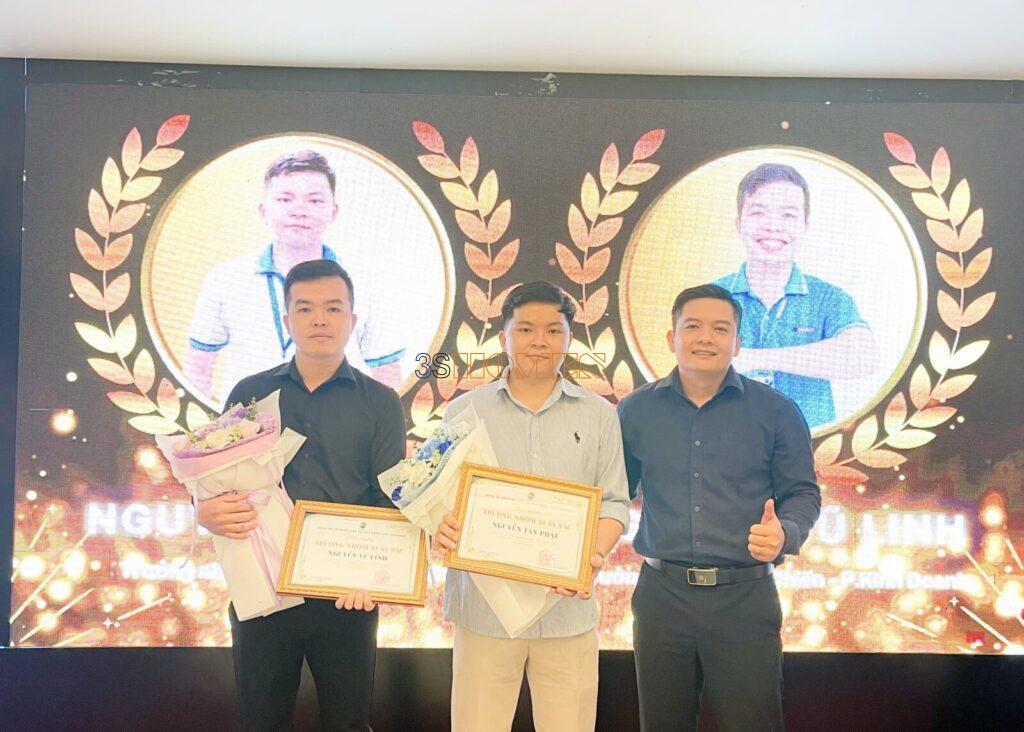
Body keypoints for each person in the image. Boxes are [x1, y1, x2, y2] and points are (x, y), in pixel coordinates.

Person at [196, 259, 405, 731]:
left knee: (348, 724)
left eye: (333, 308)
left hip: (346, 595)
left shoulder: (381, 403)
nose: (319, 319)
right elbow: (217, 477)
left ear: (353, 319)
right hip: (263, 588)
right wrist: (205, 510)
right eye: (305, 308)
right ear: (287, 319)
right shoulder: (250, 394)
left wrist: (372, 573)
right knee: (260, 722)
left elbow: (387, 500)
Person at [618, 283, 821, 731]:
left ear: (738, 342)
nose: (705, 338)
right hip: (661, 598)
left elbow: (803, 494)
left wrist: (785, 532)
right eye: (692, 326)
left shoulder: (777, 411)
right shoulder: (634, 411)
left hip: (744, 599)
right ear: (671, 338)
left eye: (720, 328)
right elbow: (613, 493)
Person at [434, 281, 631, 732]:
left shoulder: (599, 414)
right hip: (485, 611)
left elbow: (615, 501)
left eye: (553, 330)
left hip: (567, 613)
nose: (539, 341)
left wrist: (591, 556)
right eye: (525, 329)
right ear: (503, 335)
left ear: (569, 338)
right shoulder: (462, 412)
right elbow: (438, 499)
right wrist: (439, 526)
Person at [184, 150, 405, 405]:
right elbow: (198, 368)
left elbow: (388, 373)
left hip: (341, 424)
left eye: (315, 201)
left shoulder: (365, 282)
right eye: (285, 199)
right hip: (247, 424)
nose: (299, 211)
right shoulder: (225, 279)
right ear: (263, 210)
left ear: (333, 211)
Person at [713, 162, 879, 428]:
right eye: (758, 213)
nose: (772, 226)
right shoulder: (708, 298)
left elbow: (863, 356)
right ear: (738, 224)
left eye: (788, 215)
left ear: (805, 227)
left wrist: (753, 358)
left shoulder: (830, 299)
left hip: (811, 447)